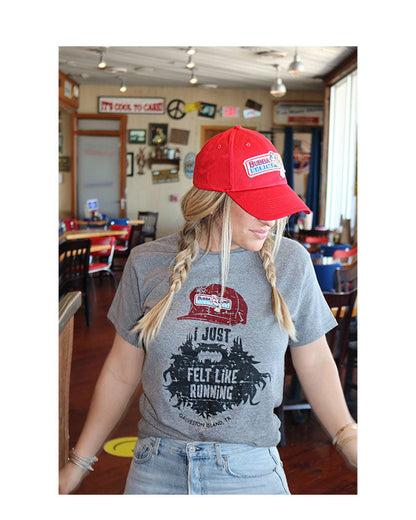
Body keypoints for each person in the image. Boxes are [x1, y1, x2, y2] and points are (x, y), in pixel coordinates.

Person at [59, 126, 357, 495]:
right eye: (258, 203)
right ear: (214, 199)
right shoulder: (146, 262)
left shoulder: (291, 261)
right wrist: (79, 464)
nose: (271, 218)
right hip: (156, 468)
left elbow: (314, 361)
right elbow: (122, 372)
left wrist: (348, 438)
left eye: (275, 202)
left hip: (250, 469)